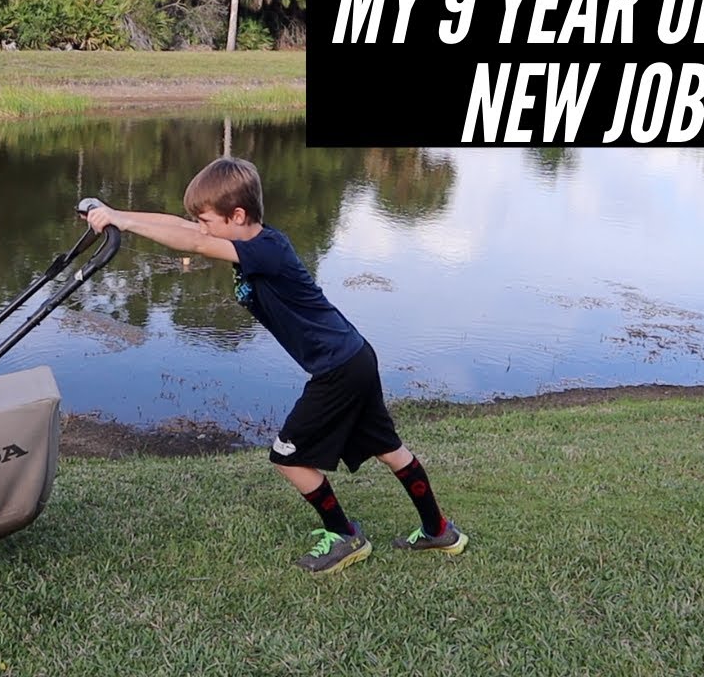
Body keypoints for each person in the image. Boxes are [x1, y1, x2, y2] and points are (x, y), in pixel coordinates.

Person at [82, 156, 467, 575]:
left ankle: (345, 536)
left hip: (339, 367)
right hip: (352, 356)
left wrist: (128, 224)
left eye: (207, 218)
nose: (200, 225)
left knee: (287, 456)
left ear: (238, 215)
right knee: (387, 448)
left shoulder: (266, 250)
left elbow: (193, 242)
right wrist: (117, 214)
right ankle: (440, 531)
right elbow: (186, 228)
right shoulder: (247, 239)